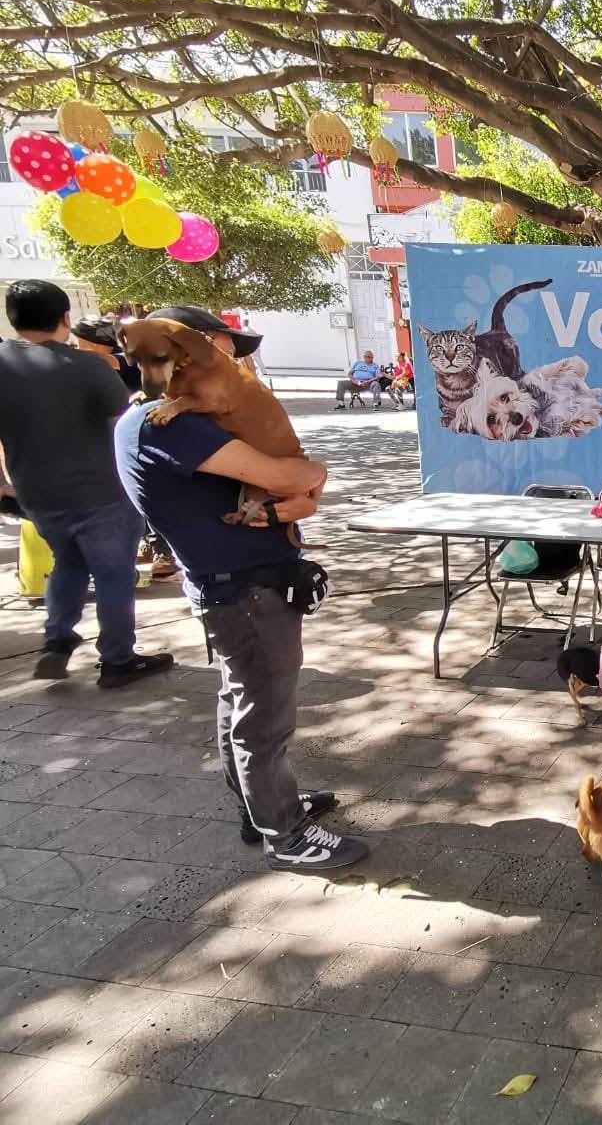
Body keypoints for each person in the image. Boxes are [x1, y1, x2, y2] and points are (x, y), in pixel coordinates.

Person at [114, 305, 365, 871]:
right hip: (245, 592)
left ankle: (262, 809)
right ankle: (286, 835)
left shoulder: (159, 418)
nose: (233, 359)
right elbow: (289, 476)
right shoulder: (171, 421)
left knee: (241, 705)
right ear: (197, 345)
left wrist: (302, 487)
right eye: (228, 345)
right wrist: (312, 478)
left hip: (233, 585)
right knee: (264, 721)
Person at [0, 280, 172, 687]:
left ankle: (57, 638)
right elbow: (124, 426)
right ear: (65, 318)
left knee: (69, 562)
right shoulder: (88, 367)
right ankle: (117, 658)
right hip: (103, 491)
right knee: (114, 574)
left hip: (37, 492)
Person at [71, 316, 141, 394]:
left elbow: (115, 361)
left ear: (94, 344)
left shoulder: (125, 358)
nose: (77, 348)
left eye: (78, 343)